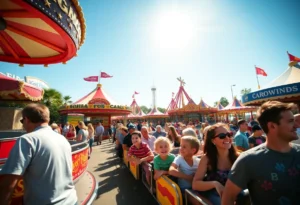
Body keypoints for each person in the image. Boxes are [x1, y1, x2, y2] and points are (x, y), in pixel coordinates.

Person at [222, 101, 300, 205]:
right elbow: (228, 197)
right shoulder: (248, 160)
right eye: (290, 121)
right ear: (272, 126)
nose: (296, 125)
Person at [0, 103, 77, 205]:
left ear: (26, 120)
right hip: (71, 200)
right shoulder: (62, 139)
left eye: (22, 121)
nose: (23, 125)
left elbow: (10, 180)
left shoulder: (27, 139)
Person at [192, 123, 239, 205]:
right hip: (214, 194)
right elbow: (195, 184)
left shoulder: (237, 156)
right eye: (222, 136)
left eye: (229, 134)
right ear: (213, 141)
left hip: (234, 194)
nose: (227, 138)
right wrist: (215, 184)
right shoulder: (207, 159)